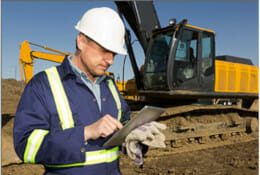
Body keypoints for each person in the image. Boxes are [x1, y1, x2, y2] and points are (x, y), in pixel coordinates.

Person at [13, 7, 131, 175]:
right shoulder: (42, 85)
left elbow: (124, 122)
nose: (110, 60)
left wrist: (137, 136)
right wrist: (86, 132)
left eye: (114, 54)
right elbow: (26, 147)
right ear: (81, 41)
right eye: (104, 50)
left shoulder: (110, 85)